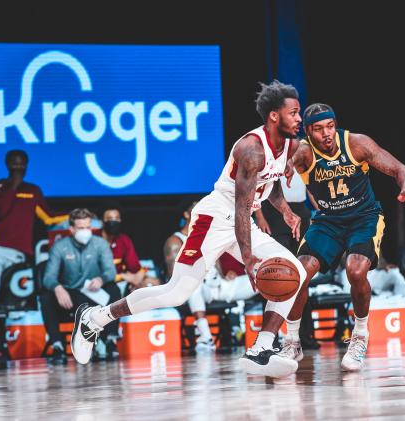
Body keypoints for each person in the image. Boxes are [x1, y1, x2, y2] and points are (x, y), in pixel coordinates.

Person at [70, 80, 307, 378]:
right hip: (216, 217)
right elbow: (240, 207)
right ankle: (94, 318)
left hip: (241, 220)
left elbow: (267, 183)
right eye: (294, 112)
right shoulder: (251, 148)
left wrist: (285, 211)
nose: (300, 119)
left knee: (294, 271)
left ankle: (261, 348)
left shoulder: (288, 145)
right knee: (175, 293)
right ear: (274, 116)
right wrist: (248, 259)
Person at [280, 103, 405, 371]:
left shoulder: (356, 143)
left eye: (330, 126)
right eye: (319, 129)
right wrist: (288, 166)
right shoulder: (303, 150)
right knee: (299, 274)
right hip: (328, 220)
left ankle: (359, 335)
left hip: (364, 217)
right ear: (308, 132)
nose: (327, 134)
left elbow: (400, 169)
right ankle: (292, 341)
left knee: (355, 271)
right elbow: (293, 159)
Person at [166, 201, 257, 352]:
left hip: (217, 287)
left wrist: (226, 275)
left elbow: (218, 267)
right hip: (195, 289)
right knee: (192, 284)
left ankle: (276, 334)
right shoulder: (175, 241)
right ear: (187, 214)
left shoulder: (209, 236)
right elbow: (174, 276)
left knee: (260, 278)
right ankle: (205, 338)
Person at [0, 150, 67, 305]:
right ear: (8, 165)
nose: (19, 167)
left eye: (22, 164)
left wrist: (75, 214)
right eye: (15, 164)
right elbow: (1, 211)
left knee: (16, 292)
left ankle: (10, 327)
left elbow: (48, 218)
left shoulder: (32, 190)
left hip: (20, 252)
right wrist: (14, 184)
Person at [40, 208, 120, 362]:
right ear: (71, 229)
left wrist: (101, 279)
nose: (85, 231)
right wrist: (57, 287)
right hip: (70, 295)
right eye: (81, 228)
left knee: (114, 290)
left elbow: (110, 271)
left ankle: (111, 341)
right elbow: (48, 277)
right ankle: (57, 346)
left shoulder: (100, 244)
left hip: (94, 293)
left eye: (88, 227)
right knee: (46, 297)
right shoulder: (59, 247)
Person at [257, 173, 319, 349]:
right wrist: (260, 217)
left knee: (302, 275)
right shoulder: (272, 154)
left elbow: (311, 188)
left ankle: (305, 336)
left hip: (300, 212)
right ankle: (271, 338)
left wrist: (322, 210)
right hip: (273, 214)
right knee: (274, 275)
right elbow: (258, 186)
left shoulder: (301, 150)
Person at [100, 203, 160, 293]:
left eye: (117, 218)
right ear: (102, 221)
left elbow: (134, 268)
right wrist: (123, 276)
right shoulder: (94, 238)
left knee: (154, 283)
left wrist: (139, 276)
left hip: (123, 281)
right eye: (110, 218)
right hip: (101, 282)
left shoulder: (124, 239)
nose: (114, 221)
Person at [338, 251, 405, 297]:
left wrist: (385, 266)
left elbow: (380, 260)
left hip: (373, 273)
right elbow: (343, 262)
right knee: (345, 274)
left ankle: (400, 302)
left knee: (394, 272)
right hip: (356, 274)